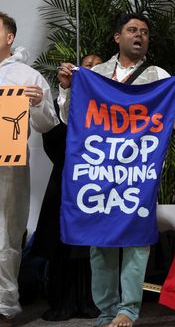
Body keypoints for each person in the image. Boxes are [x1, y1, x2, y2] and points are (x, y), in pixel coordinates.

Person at [57, 13, 175, 327]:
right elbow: (70, 119)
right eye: (132, 30)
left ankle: (127, 310)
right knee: (99, 240)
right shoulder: (96, 73)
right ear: (117, 37)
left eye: (144, 32)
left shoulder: (158, 75)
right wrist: (66, 89)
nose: (139, 35)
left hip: (136, 172)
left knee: (136, 239)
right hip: (99, 170)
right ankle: (106, 311)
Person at [31, 54, 104, 321]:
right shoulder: (63, 103)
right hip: (65, 181)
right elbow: (52, 139)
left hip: (98, 184)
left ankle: (90, 301)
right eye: (88, 66)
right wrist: (65, 89)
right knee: (62, 245)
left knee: (92, 247)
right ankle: (61, 303)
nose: (93, 70)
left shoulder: (112, 106)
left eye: (99, 67)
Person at [0, 12, 60, 327]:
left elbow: (48, 123)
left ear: (10, 37)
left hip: (8, 166)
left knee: (6, 235)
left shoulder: (26, 76)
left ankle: (5, 306)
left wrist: (37, 103)